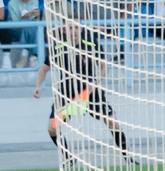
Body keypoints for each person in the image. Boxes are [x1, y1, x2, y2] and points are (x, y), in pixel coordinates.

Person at [33, 12, 129, 160]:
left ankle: (127, 157)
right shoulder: (58, 46)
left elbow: (103, 68)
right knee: (52, 128)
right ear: (65, 30)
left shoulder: (91, 42)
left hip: (89, 91)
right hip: (67, 91)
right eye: (70, 28)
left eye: (77, 27)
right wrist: (38, 86)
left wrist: (95, 82)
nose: (74, 31)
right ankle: (68, 157)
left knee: (113, 123)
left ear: (81, 28)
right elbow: (43, 69)